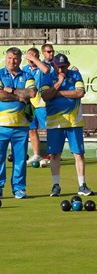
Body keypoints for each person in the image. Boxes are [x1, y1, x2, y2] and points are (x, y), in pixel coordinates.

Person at [41, 53, 93, 197]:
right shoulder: (47, 77)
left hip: (74, 122)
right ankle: (56, 186)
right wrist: (58, 82)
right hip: (54, 123)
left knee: (78, 154)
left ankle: (82, 185)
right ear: (54, 66)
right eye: (58, 67)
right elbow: (45, 96)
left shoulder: (76, 75)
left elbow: (80, 93)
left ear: (68, 65)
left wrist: (58, 93)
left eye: (64, 67)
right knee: (55, 154)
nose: (61, 70)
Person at [0, 47, 37, 199]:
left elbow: (31, 93)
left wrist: (10, 89)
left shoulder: (26, 75)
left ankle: (19, 189)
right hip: (1, 125)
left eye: (15, 59)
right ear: (6, 58)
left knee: (20, 159)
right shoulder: (0, 73)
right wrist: (19, 96)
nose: (11, 61)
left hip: (21, 126)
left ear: (20, 60)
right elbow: (0, 95)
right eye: (9, 58)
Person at [23, 47, 50, 164]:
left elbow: (46, 70)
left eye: (33, 56)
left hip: (42, 103)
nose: (31, 59)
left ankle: (51, 154)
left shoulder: (43, 66)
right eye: (29, 56)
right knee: (32, 130)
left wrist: (35, 59)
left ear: (38, 57)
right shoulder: (24, 69)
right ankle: (37, 155)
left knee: (48, 128)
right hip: (30, 104)